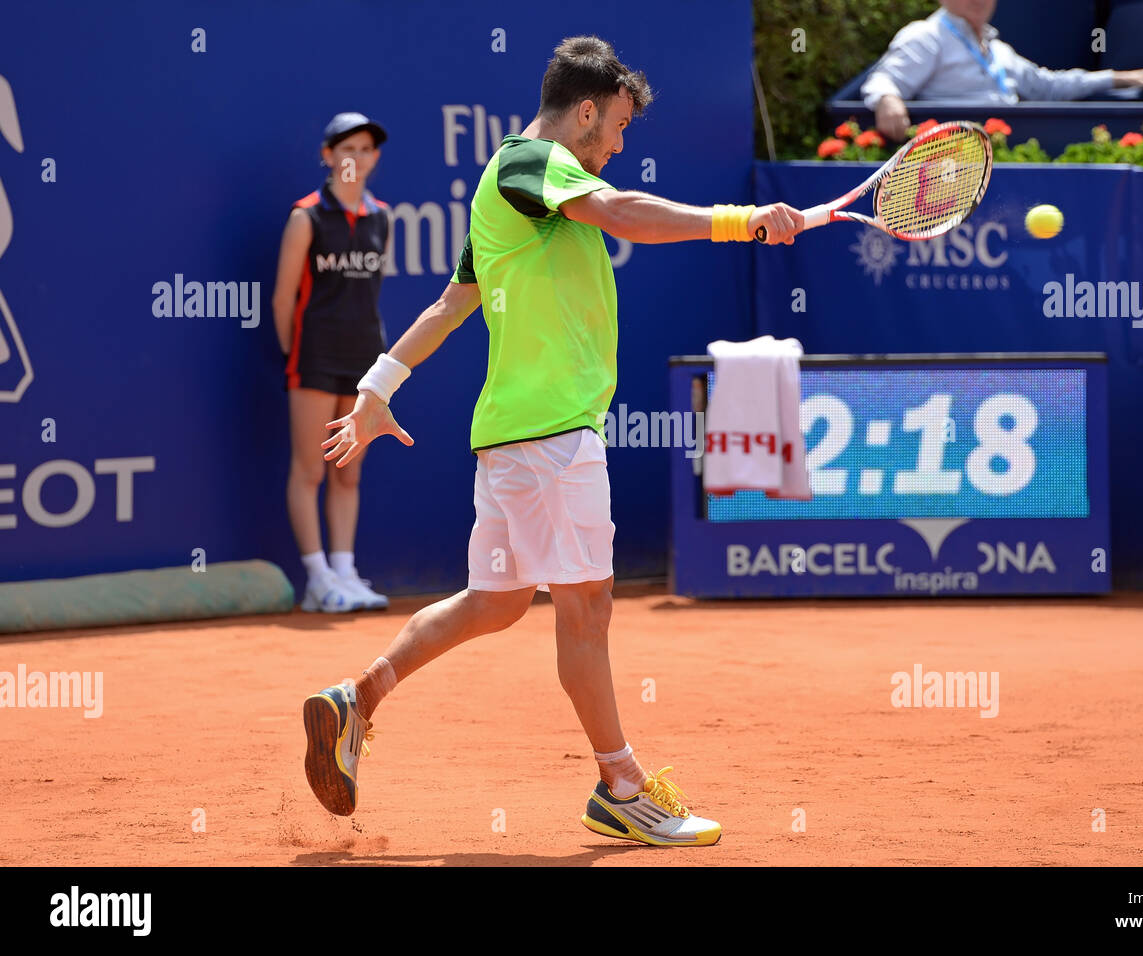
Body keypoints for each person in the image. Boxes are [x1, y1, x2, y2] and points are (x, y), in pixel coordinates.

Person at [300, 35, 802, 846]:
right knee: (588, 607)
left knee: (495, 604)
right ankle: (622, 785)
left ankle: (357, 701)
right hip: (553, 438)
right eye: (619, 128)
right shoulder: (533, 164)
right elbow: (619, 212)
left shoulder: (509, 188)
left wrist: (374, 388)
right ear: (587, 110)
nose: (621, 147)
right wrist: (740, 221)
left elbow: (449, 305)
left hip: (513, 439)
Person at [272, 113, 394, 613]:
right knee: (310, 471)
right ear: (328, 156)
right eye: (347, 149)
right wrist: (296, 354)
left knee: (348, 471)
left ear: (375, 158)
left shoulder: (382, 217)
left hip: (364, 359)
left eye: (366, 149)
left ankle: (345, 572)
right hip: (314, 359)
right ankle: (317, 579)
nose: (357, 158)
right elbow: (283, 300)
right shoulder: (306, 217)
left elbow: (371, 293)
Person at [863, 0, 1143, 140]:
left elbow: (1047, 86)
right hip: (948, 168)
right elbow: (884, 80)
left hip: (1000, 159)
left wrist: (1116, 77)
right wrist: (888, 99)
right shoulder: (926, 35)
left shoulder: (998, 50)